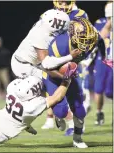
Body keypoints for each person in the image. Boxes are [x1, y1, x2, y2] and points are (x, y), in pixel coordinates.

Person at [42, 17, 99, 148]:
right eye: (82, 36)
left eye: (87, 36)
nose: (86, 41)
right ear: (72, 34)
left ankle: (77, 138)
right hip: (53, 74)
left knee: (80, 109)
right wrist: (65, 75)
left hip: (70, 73)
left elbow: (101, 40)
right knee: (61, 111)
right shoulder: (59, 45)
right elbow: (47, 68)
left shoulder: (90, 42)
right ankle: (58, 116)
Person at [41, 0, 90, 136]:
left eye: (66, 2)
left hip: (71, 61)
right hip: (52, 61)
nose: (63, 6)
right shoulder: (47, 16)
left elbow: (88, 38)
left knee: (78, 105)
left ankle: (77, 133)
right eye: (61, 2)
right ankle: (57, 116)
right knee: (60, 108)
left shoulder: (80, 14)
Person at [11, 9, 81, 79]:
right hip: (23, 66)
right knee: (46, 83)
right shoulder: (41, 35)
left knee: (57, 77)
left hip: (36, 62)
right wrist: (70, 57)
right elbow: (46, 64)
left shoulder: (46, 25)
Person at [84, 1, 113, 126]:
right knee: (99, 88)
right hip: (103, 59)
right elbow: (98, 39)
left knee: (109, 92)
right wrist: (108, 25)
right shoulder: (101, 22)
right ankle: (99, 112)